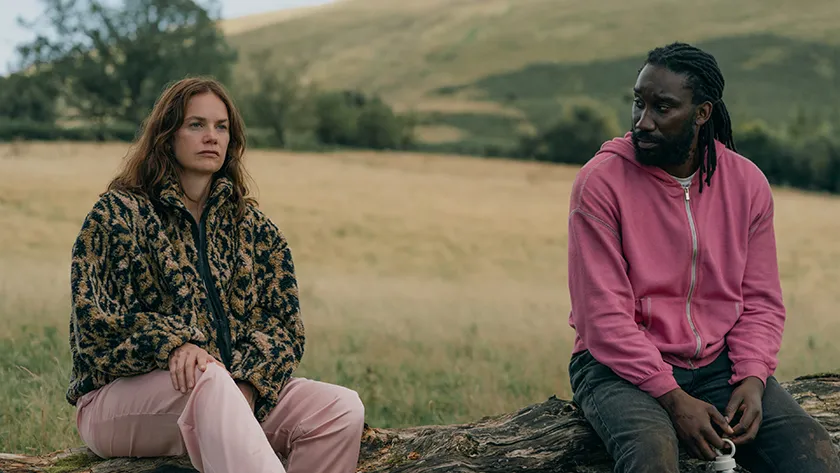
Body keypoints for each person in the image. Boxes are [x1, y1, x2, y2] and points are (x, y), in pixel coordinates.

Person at [67, 77, 366, 473]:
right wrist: (175, 343)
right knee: (210, 382)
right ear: (166, 135)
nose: (211, 137)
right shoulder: (118, 215)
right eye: (196, 125)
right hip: (119, 402)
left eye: (221, 126)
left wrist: (249, 383)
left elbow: (284, 326)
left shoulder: (253, 228)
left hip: (231, 392)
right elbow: (94, 323)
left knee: (339, 408)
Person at [566, 42, 840, 472]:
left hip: (719, 362)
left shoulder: (746, 184)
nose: (643, 121)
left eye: (663, 108)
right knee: (652, 456)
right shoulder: (600, 183)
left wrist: (752, 377)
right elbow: (602, 318)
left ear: (702, 114)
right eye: (639, 103)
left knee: (812, 451)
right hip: (614, 367)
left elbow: (762, 301)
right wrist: (673, 399)